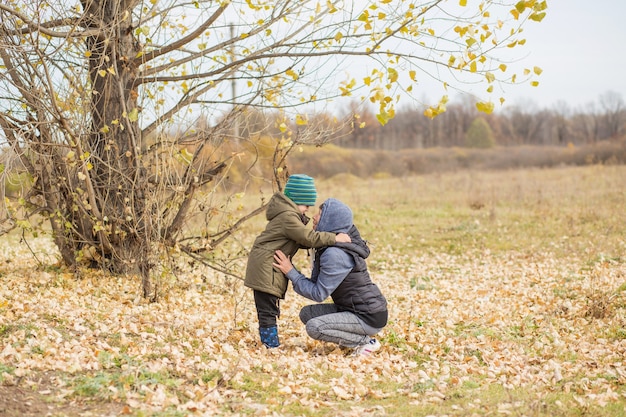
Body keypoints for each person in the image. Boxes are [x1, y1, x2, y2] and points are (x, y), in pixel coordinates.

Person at [244, 175, 351, 349]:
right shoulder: (288, 217)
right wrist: (334, 238)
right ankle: (270, 346)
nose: (307, 210)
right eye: (306, 206)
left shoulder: (287, 215)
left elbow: (300, 240)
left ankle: (269, 344)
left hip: (265, 264)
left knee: (268, 306)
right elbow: (307, 238)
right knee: (267, 309)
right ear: (296, 200)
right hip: (266, 267)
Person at [272, 198, 388, 356]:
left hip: (368, 315)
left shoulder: (335, 254)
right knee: (307, 314)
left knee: (314, 327)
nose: (313, 217)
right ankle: (351, 338)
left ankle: (366, 342)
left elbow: (318, 293)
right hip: (352, 308)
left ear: (330, 221)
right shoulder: (329, 247)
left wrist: (290, 271)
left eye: (319, 214)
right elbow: (315, 283)